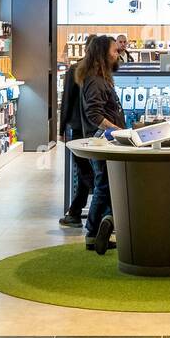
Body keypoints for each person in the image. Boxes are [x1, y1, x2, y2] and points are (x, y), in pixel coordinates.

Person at [77, 34, 125, 253]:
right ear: (103, 53)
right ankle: (95, 231)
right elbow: (94, 114)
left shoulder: (100, 77)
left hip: (105, 140)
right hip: (102, 142)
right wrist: (117, 131)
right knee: (104, 185)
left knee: (105, 184)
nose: (118, 54)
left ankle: (99, 229)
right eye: (114, 51)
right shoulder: (96, 81)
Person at [58, 58, 93, 228]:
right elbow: (68, 99)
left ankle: (75, 213)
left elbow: (67, 99)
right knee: (87, 173)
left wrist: (62, 128)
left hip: (79, 127)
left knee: (84, 172)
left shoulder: (77, 69)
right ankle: (76, 213)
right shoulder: (94, 69)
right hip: (88, 128)